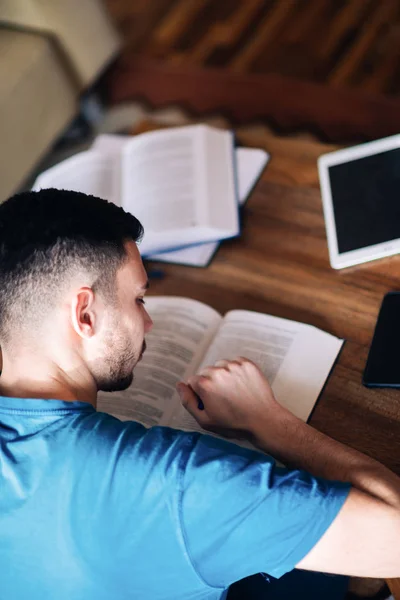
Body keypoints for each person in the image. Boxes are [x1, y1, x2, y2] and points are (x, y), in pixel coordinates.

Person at [0, 189, 398, 600]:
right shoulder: (179, 482)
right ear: (84, 314)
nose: (149, 323)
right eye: (138, 298)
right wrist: (268, 423)